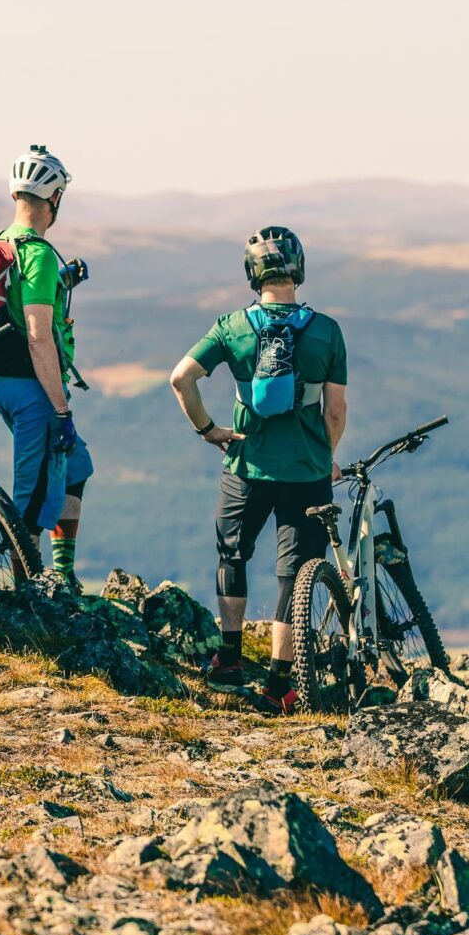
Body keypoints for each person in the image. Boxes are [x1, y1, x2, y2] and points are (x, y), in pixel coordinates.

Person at [167, 226, 348, 711]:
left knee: (233, 555)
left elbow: (181, 378)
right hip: (307, 473)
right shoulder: (327, 331)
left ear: (252, 273)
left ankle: (228, 660)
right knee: (296, 574)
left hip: (245, 464)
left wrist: (210, 431)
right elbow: (335, 412)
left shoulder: (230, 327)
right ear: (299, 269)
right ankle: (279, 683)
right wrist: (323, 456)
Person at [0, 146, 94, 588]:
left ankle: (61, 574)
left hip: (0, 383)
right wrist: (61, 409)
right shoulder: (40, 254)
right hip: (34, 391)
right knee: (29, 495)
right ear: (55, 199)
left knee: (78, 466)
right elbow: (37, 334)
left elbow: (12, 303)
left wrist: (64, 281)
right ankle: (24, 593)